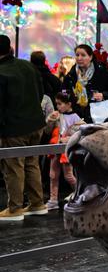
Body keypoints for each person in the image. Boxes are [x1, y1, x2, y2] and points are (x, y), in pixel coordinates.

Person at [0, 33, 47, 221]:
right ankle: (37, 203)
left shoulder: (1, 73)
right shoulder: (28, 66)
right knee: (31, 163)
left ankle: (14, 209)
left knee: (13, 167)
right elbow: (41, 92)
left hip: (14, 128)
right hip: (36, 124)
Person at [62, 43, 108, 122]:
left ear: (90, 57)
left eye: (83, 55)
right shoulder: (71, 75)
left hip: (98, 116)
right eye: (77, 55)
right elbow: (63, 92)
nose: (79, 58)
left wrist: (103, 95)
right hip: (77, 117)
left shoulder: (102, 72)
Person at [45, 91, 82, 211]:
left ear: (69, 104)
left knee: (68, 175)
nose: (58, 107)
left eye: (60, 104)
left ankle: (80, 194)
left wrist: (69, 138)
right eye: (57, 104)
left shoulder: (76, 118)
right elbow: (47, 131)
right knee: (53, 175)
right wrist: (50, 120)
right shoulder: (58, 116)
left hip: (66, 150)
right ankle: (53, 200)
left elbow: (79, 134)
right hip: (55, 148)